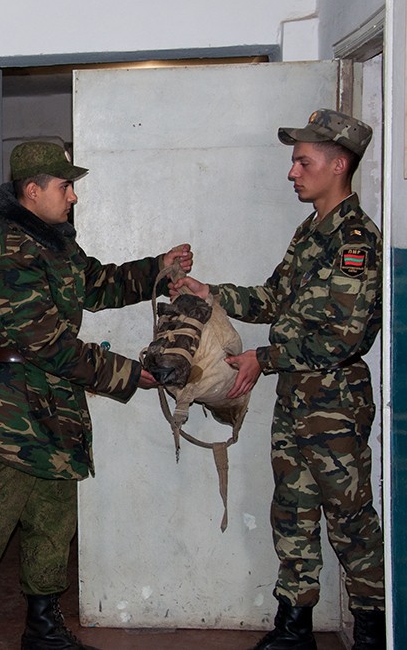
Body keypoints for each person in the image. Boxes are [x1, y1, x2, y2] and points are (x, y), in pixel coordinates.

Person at [0, 141, 192, 650]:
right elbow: (46, 343)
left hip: (52, 403)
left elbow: (97, 285)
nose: (73, 196)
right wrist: (127, 374)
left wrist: (159, 268)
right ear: (33, 190)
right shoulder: (8, 250)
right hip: (7, 410)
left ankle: (43, 626)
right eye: (65, 186)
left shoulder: (53, 243)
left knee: (52, 520)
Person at [173, 109, 384, 650]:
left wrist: (263, 359)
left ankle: (373, 628)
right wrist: (210, 294)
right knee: (292, 511)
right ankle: (294, 627)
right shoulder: (310, 232)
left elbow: (344, 338)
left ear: (338, 165)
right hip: (296, 396)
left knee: (350, 519)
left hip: (335, 401)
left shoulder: (355, 241)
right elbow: (272, 299)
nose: (292, 172)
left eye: (303, 162)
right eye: (294, 162)